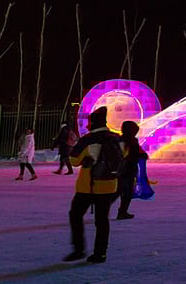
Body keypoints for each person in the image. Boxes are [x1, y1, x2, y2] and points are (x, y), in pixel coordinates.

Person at [64, 107, 124, 263]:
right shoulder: (115, 138)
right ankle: (101, 253)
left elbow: (74, 160)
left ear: (92, 123)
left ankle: (79, 249)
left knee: (76, 214)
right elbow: (122, 157)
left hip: (88, 186)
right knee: (102, 220)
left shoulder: (88, 139)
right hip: (109, 185)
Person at [111, 121, 147, 219]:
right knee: (125, 191)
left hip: (120, 170)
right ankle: (121, 211)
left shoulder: (119, 139)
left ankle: (119, 210)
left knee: (120, 190)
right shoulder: (132, 141)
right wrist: (142, 155)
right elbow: (138, 153)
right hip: (128, 169)